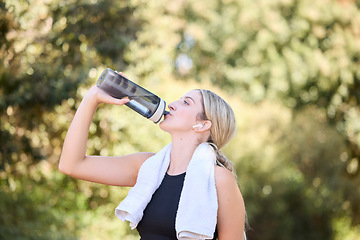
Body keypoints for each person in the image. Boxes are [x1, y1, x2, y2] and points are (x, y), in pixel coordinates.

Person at [59, 77, 246, 240]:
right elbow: (72, 165)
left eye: (186, 103)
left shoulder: (219, 179)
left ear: (202, 124)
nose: (172, 104)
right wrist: (93, 97)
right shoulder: (147, 167)